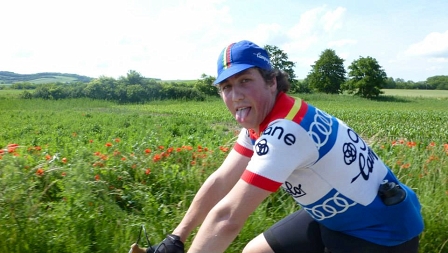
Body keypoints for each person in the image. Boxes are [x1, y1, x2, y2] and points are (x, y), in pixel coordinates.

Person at [130, 40, 424, 253]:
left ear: (272, 82)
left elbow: (228, 218)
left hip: (382, 234)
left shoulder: (286, 129)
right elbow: (221, 181)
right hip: (334, 216)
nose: (235, 96)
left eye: (245, 81)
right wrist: (176, 238)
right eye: (226, 87)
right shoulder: (261, 120)